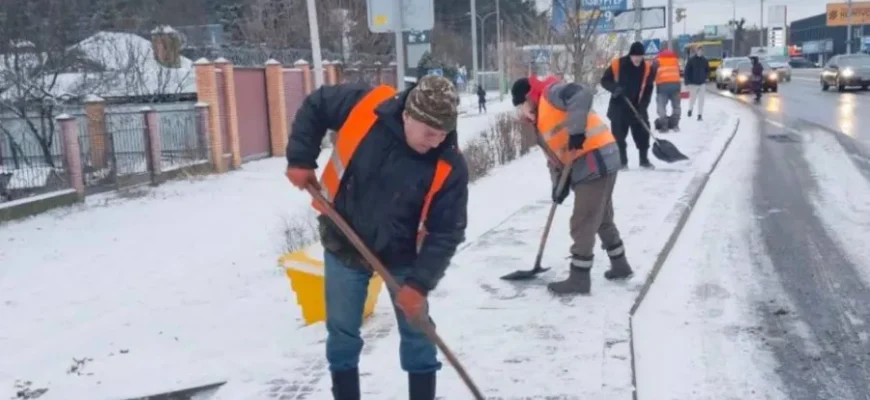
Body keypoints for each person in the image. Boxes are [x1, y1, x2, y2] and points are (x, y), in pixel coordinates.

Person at [284, 75, 469, 400]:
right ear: (408, 115)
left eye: (443, 134)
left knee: (419, 334)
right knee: (342, 333)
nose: (436, 142)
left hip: (404, 255)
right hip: (344, 238)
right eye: (430, 133)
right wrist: (300, 157)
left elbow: (447, 231)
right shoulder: (366, 105)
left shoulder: (449, 163)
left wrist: (419, 284)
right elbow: (317, 105)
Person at [510, 75, 635, 295]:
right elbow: (555, 161)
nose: (523, 113)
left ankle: (579, 279)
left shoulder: (552, 93)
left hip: (595, 159)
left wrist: (576, 131)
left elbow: (582, 93)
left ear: (529, 96)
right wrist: (558, 188)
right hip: (597, 160)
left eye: (522, 105)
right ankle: (620, 264)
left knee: (583, 221)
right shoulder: (540, 123)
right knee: (601, 217)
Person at [600, 41, 656, 170]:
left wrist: (642, 107)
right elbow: (604, 81)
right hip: (619, 106)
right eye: (635, 56)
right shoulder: (618, 64)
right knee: (619, 136)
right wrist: (615, 88)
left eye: (640, 56)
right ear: (630, 55)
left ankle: (644, 160)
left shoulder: (647, 68)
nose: (637, 59)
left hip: (637, 106)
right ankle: (622, 162)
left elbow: (648, 89)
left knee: (643, 132)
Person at [652, 48, 682, 132]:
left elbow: (652, 73)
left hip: (662, 86)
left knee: (661, 106)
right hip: (676, 86)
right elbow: (678, 72)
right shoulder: (675, 60)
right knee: (676, 106)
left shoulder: (657, 60)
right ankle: (675, 125)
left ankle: (664, 126)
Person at [683, 45, 709, 121]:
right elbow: (686, 72)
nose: (700, 51)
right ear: (696, 51)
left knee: (701, 100)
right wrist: (687, 82)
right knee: (693, 98)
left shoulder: (704, 60)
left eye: (701, 50)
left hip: (702, 83)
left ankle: (699, 115)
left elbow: (707, 70)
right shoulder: (691, 60)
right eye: (698, 50)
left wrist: (706, 77)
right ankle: (690, 109)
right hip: (693, 83)